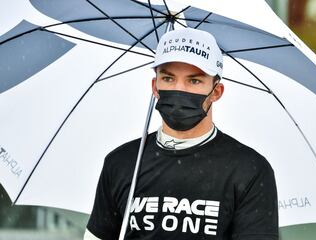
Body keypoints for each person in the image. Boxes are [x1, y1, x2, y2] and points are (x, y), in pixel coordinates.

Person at [84, 28, 278, 240]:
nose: (179, 89)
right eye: (168, 78)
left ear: (216, 92)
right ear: (154, 86)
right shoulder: (121, 162)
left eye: (194, 81)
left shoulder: (250, 169)